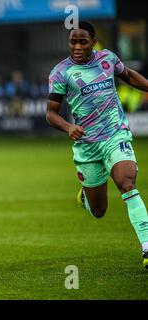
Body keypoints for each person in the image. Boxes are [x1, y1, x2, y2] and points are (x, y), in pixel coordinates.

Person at [46, 21, 148, 269]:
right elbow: (51, 113)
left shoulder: (108, 59)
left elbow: (128, 76)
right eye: (73, 41)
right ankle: (87, 197)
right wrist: (68, 127)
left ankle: (147, 247)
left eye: (83, 41)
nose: (77, 46)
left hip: (115, 134)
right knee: (99, 210)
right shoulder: (61, 73)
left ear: (93, 41)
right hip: (87, 145)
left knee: (127, 182)